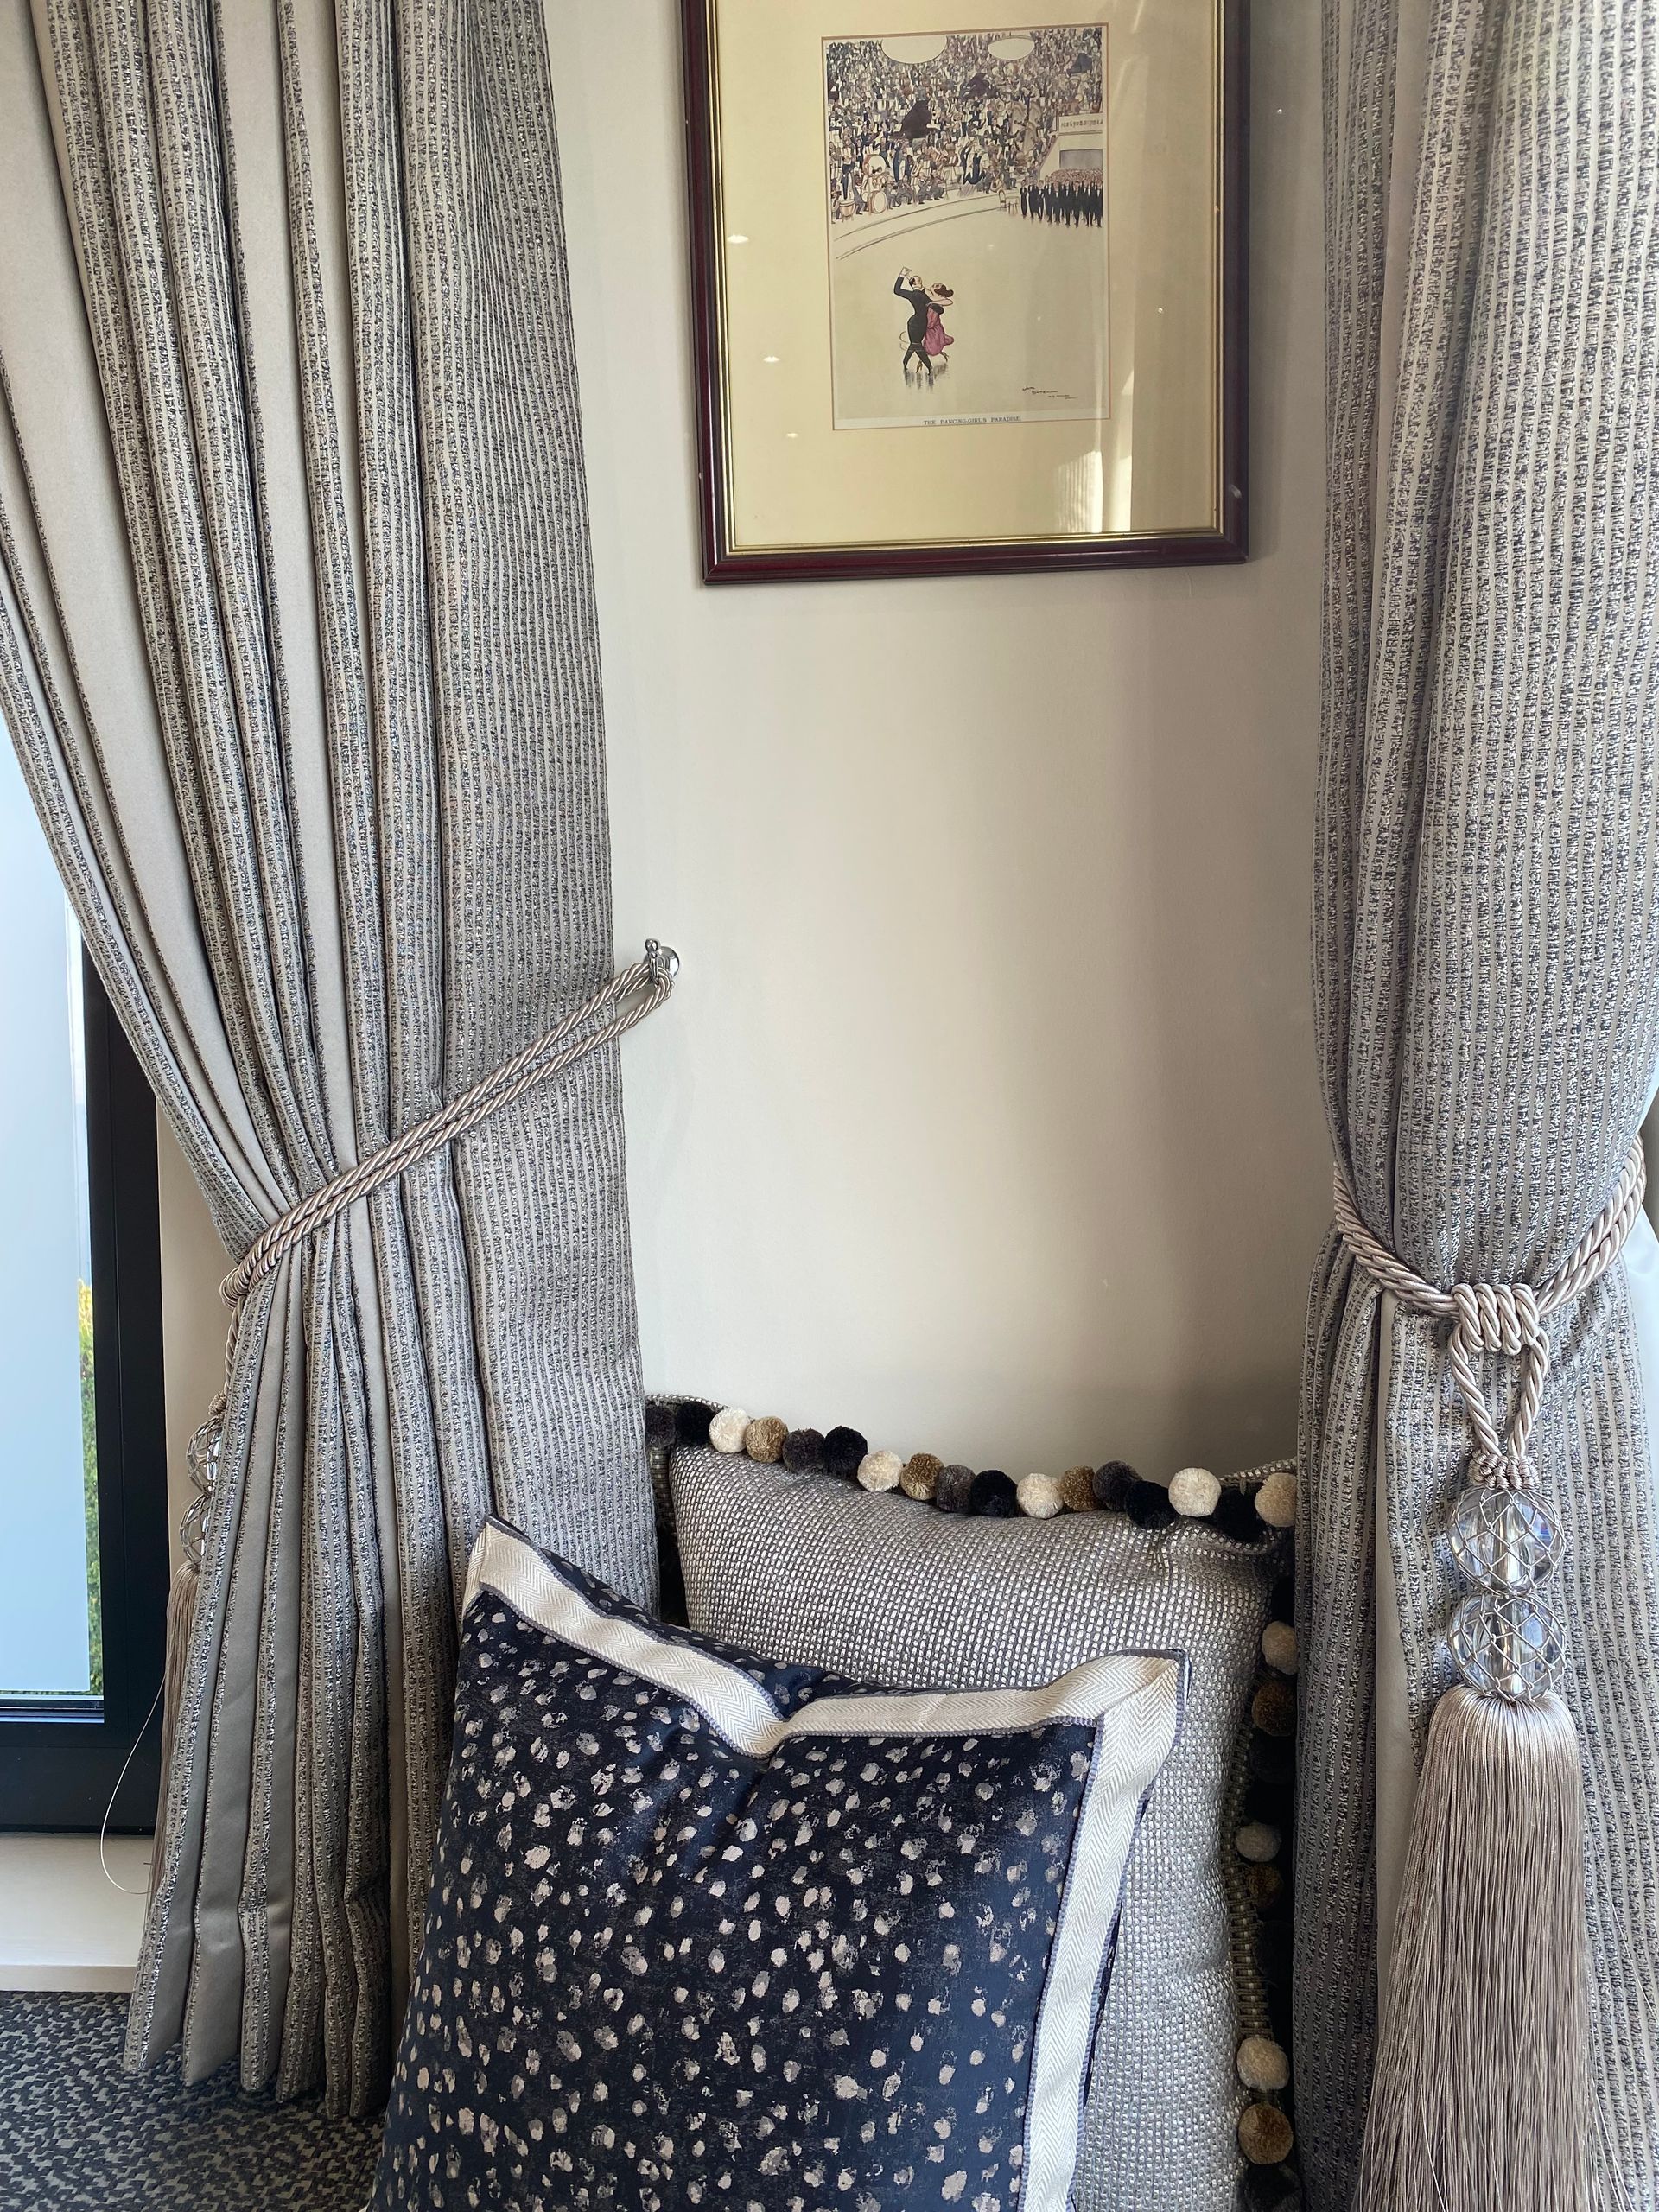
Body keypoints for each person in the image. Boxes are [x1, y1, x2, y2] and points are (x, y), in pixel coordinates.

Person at [894, 268, 932, 381]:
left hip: (918, 323)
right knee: (917, 345)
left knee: (914, 344)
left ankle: (905, 362)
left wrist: (904, 275)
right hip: (917, 324)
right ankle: (929, 366)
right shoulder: (919, 295)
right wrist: (902, 274)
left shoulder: (917, 294)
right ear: (914, 284)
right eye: (918, 279)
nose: (920, 279)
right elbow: (897, 290)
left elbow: (897, 290)